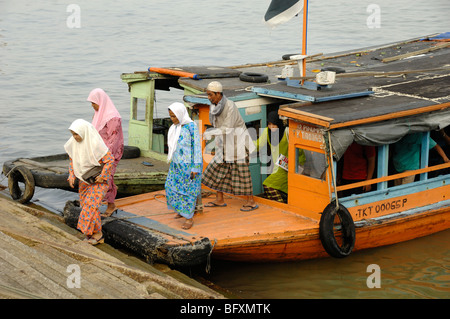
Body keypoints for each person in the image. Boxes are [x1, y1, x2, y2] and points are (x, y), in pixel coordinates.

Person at [201, 81, 258, 211]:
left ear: (218, 94)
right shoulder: (213, 106)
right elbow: (216, 125)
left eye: (210, 95)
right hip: (225, 144)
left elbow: (227, 128)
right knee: (215, 169)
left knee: (242, 173)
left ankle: (251, 202)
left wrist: (211, 133)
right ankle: (219, 199)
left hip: (239, 144)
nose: (209, 97)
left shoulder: (230, 106)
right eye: (208, 95)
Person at [64, 119, 115, 245]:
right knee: (90, 207)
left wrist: (103, 176)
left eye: (76, 134)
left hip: (98, 181)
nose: (75, 137)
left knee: (90, 206)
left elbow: (110, 160)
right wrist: (71, 175)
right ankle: (96, 234)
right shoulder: (73, 143)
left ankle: (96, 234)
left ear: (84, 133)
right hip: (84, 180)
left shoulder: (95, 144)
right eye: (73, 134)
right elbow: (72, 159)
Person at [165, 102, 203, 230]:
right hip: (176, 165)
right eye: (171, 116)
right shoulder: (175, 127)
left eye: (174, 116)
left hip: (189, 166)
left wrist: (195, 167)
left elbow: (197, 147)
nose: (172, 119)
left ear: (180, 114)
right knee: (171, 187)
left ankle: (189, 218)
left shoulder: (191, 127)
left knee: (188, 192)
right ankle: (182, 210)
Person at [87, 88, 124, 217]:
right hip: (98, 152)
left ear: (100, 101)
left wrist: (105, 156)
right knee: (100, 177)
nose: (92, 106)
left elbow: (113, 139)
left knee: (107, 176)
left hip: (109, 153)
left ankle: (111, 205)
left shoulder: (113, 118)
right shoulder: (98, 114)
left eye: (93, 103)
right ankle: (103, 200)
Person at [255, 110, 295, 203]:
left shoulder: (287, 131)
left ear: (279, 123)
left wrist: (299, 165)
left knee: (267, 184)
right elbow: (258, 144)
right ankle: (281, 204)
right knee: (270, 190)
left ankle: (282, 205)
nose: (271, 127)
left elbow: (298, 149)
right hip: (276, 167)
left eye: (274, 124)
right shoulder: (267, 131)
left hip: (287, 167)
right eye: (269, 124)